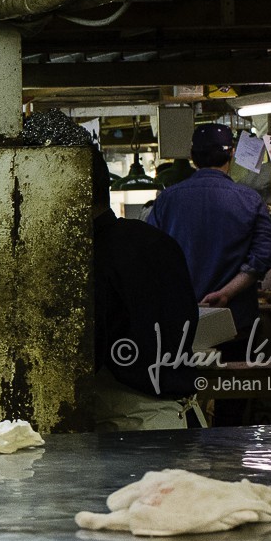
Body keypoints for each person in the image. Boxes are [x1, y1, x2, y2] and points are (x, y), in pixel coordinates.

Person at [89, 148, 204, 430]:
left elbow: (89, 354)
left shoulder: (90, 258)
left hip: (131, 430)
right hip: (185, 420)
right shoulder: (157, 241)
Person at [147, 123, 271, 350]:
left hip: (180, 322)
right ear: (232, 153)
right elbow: (264, 255)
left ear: (192, 156)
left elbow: (150, 257)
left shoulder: (166, 201)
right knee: (235, 385)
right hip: (235, 324)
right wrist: (226, 293)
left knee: (185, 384)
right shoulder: (251, 199)